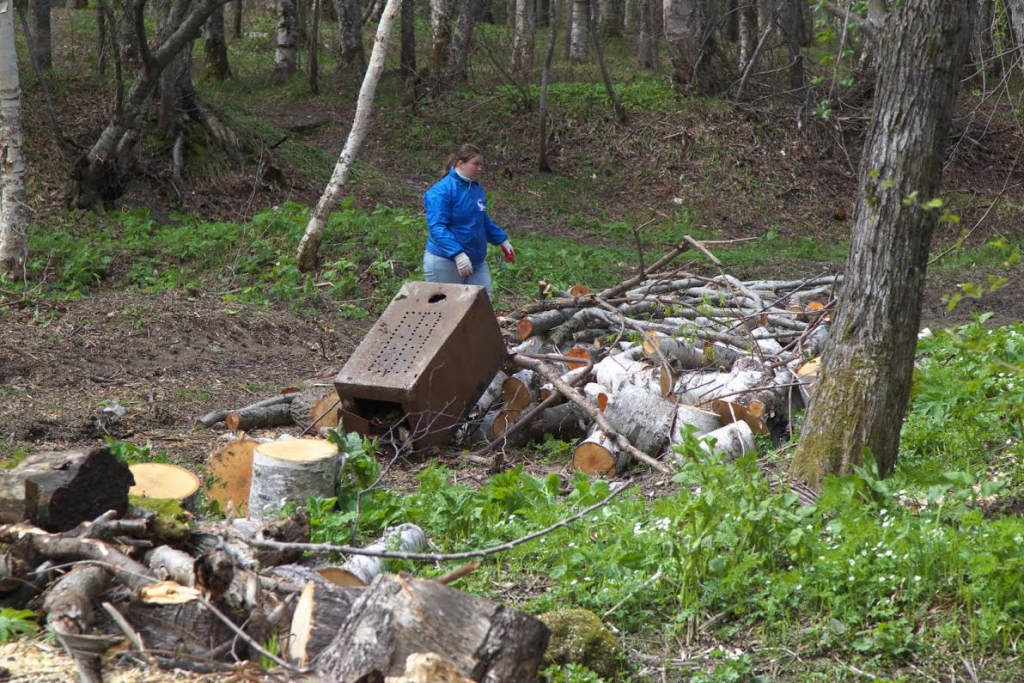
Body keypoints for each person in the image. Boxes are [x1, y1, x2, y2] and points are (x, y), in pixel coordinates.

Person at [423, 144, 514, 298]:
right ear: (460, 163)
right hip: (445, 261)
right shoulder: (441, 191)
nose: (480, 168)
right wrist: (457, 254)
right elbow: (437, 228)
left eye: (481, 164)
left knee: (483, 304)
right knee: (448, 310)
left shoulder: (475, 188)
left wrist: (502, 240)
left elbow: (481, 219)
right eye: (476, 164)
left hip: (476, 261)